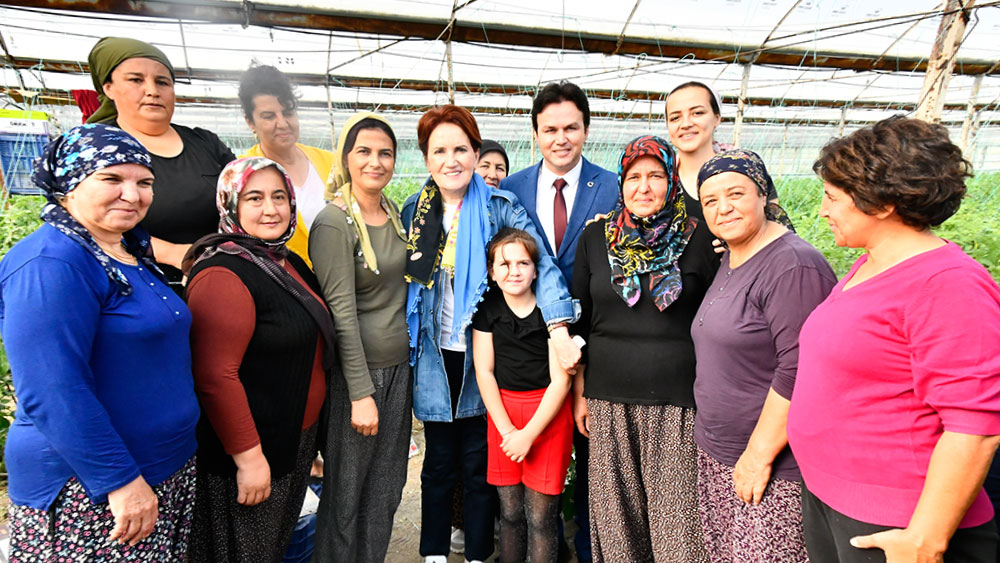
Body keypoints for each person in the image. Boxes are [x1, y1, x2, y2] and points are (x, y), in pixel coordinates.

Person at [787, 116, 1000, 562]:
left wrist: (925, 538)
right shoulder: (871, 263)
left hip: (897, 519)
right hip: (835, 498)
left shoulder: (948, 284)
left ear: (881, 203)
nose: (822, 210)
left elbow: (975, 427)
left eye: (832, 197)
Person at [0, 123, 200, 561]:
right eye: (111, 178)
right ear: (70, 184)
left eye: (144, 182)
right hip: (91, 489)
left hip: (161, 468)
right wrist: (120, 482)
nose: (133, 194)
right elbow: (53, 389)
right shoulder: (51, 262)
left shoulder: (124, 251)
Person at [401, 104, 581, 563]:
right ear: (426, 158)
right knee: (438, 462)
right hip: (435, 352)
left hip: (486, 347)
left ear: (475, 152)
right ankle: (434, 552)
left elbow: (542, 264)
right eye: (439, 150)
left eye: (460, 148)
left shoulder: (501, 207)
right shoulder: (414, 213)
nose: (451, 159)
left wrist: (558, 326)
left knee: (481, 463)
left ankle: (480, 551)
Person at [572, 135, 718, 562]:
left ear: (672, 179)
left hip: (680, 403)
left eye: (655, 175)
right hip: (607, 399)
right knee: (616, 525)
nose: (644, 187)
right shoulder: (596, 238)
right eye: (634, 176)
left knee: (677, 528)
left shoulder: (702, 235)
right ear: (621, 182)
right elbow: (581, 321)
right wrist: (580, 389)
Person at [183, 157, 335, 563]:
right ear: (231, 204)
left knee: (272, 545)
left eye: (279, 197)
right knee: (246, 549)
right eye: (255, 197)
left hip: (289, 440)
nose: (271, 209)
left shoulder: (284, 262)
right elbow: (216, 376)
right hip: (252, 450)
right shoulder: (223, 273)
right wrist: (249, 459)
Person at [691, 149, 836, 561]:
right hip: (722, 454)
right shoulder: (734, 256)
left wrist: (757, 456)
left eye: (735, 193)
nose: (723, 208)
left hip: (772, 466)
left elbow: (802, 368)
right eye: (710, 201)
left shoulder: (793, 265)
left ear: (763, 194)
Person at [500, 81, 618, 561]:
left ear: (586, 130)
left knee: (592, 447)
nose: (561, 137)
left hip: (597, 333)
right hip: (529, 340)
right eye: (550, 129)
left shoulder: (612, 185)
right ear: (535, 133)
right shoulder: (512, 188)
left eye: (571, 127)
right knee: (532, 443)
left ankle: (590, 546)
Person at [308, 112, 410, 563]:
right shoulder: (334, 222)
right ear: (346, 158)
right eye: (363, 151)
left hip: (399, 369)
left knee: (386, 488)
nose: (375, 161)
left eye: (385, 153)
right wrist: (360, 393)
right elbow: (341, 314)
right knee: (346, 494)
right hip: (361, 375)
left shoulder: (394, 214)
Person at [86, 36, 235, 287]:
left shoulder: (204, 143)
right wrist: (176, 254)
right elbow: (85, 223)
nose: (152, 91)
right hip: (134, 287)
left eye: (162, 82)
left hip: (219, 276)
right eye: (136, 80)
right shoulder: (95, 146)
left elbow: (245, 195)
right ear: (108, 87)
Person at [472, 228, 574, 563]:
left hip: (546, 415)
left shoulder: (552, 313)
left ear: (536, 269)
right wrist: (507, 432)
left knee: (541, 517)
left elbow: (561, 382)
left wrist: (528, 435)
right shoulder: (487, 310)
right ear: (491, 271)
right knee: (511, 513)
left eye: (523, 263)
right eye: (504, 264)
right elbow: (484, 372)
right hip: (503, 415)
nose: (513, 271)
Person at [239, 64, 336, 267]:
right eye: (269, 116)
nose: (282, 123)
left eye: (288, 113)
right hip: (289, 284)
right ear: (250, 122)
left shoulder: (330, 163)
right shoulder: (244, 174)